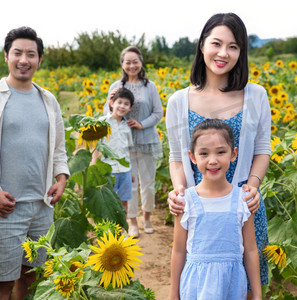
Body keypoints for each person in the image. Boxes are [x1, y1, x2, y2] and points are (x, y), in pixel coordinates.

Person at [166, 13, 271, 294]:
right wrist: (179, 190)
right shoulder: (178, 101)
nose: (224, 53)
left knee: (246, 287)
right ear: (202, 45)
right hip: (199, 210)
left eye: (234, 46)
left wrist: (253, 186)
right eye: (217, 43)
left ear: (242, 52)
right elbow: (176, 156)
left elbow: (262, 150)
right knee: (198, 284)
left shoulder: (256, 95)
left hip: (243, 208)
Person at [0, 26, 69, 300]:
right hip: (6, 207)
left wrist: (61, 179)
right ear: (6, 56)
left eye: (31, 54)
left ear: (39, 59)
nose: (24, 60)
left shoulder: (48, 99)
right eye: (18, 53)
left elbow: (58, 147)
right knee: (3, 282)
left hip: (42, 205)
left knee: (31, 276)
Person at [170, 119, 262, 299]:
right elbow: (179, 250)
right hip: (196, 286)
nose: (213, 160)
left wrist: (257, 294)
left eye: (221, 152)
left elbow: (251, 250)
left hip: (232, 285)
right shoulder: (185, 200)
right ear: (193, 157)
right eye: (204, 153)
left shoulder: (243, 200)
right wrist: (174, 295)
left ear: (233, 154)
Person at [105, 46, 164, 238]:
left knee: (148, 184)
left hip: (147, 140)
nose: (132, 65)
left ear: (141, 63)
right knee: (129, 184)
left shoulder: (150, 86)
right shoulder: (115, 86)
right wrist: (110, 100)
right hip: (122, 144)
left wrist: (141, 124)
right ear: (122, 64)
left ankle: (146, 218)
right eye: (127, 62)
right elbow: (109, 114)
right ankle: (132, 222)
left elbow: (158, 113)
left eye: (135, 61)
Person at [94, 88, 134, 213]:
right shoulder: (102, 122)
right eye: (119, 102)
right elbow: (96, 146)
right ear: (112, 103)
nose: (122, 106)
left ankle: (122, 231)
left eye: (126, 104)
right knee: (107, 202)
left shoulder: (127, 127)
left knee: (123, 203)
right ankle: (108, 231)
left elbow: (128, 150)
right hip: (108, 170)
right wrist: (94, 166)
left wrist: (131, 170)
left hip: (125, 171)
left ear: (130, 108)